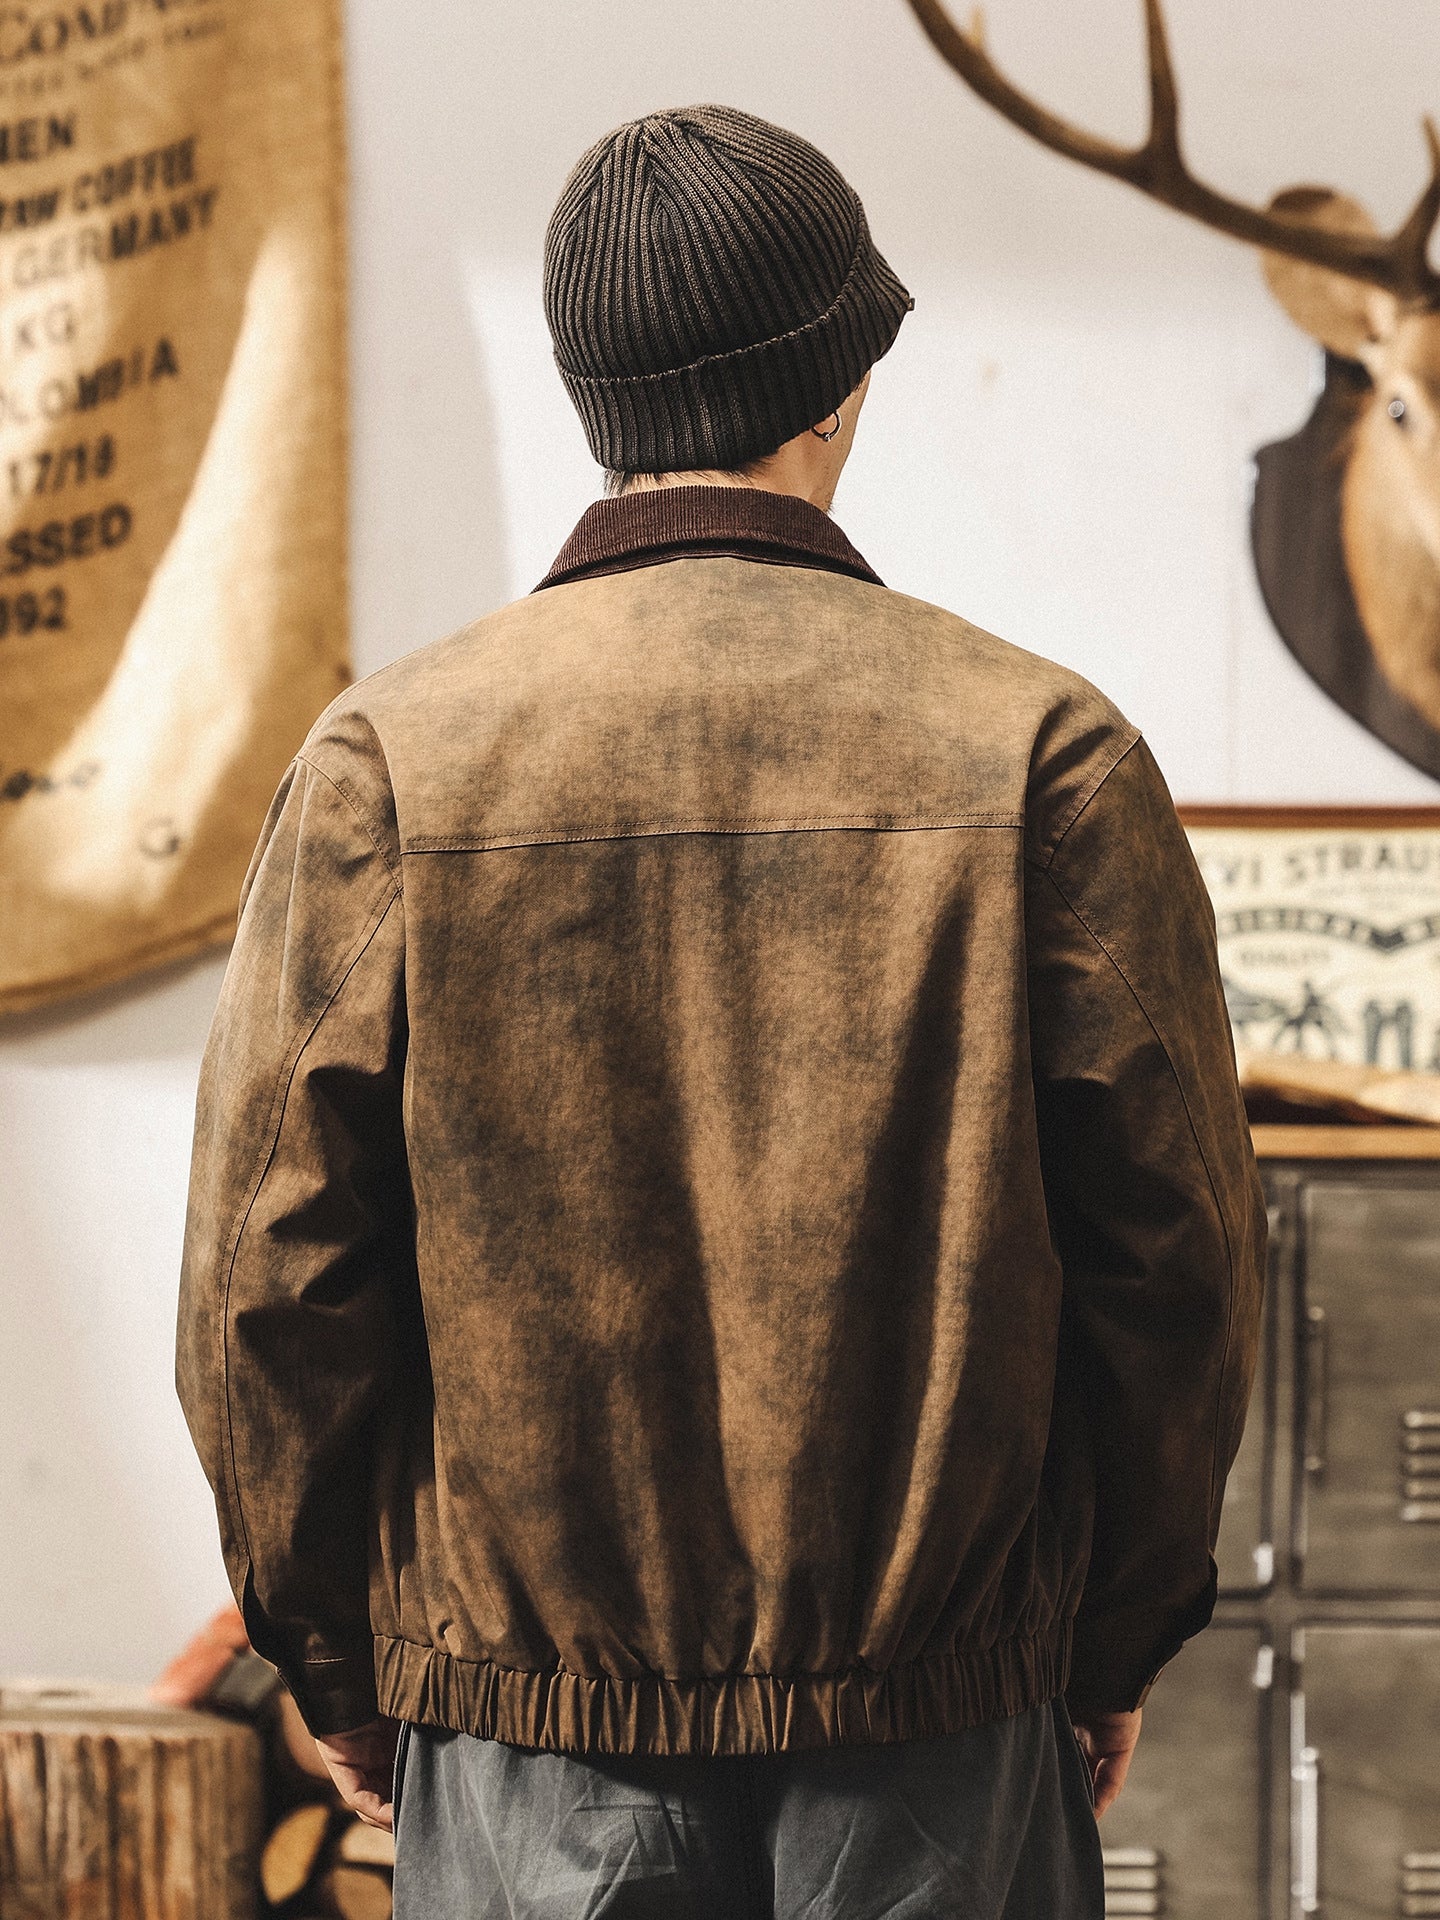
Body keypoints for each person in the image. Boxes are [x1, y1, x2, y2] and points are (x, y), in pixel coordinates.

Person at [177, 104, 1266, 1919]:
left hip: (530, 1759)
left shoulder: (396, 764)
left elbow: (267, 1287)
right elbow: (1177, 1271)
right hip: (942, 1743)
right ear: (841, 383)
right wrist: (1110, 1638)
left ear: (590, 397)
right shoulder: (1041, 757)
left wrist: (339, 1657)